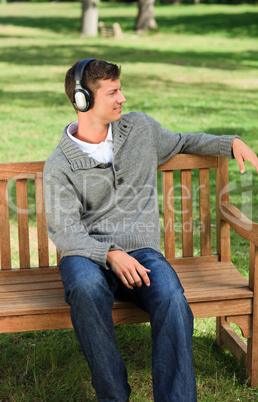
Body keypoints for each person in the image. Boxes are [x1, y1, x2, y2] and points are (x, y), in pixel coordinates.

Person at [43, 58, 258, 402]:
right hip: (87, 255)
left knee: (172, 298)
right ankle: (113, 395)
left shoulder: (139, 130)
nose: (123, 98)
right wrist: (111, 255)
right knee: (85, 288)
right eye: (113, 92)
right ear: (84, 100)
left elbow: (184, 141)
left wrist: (229, 143)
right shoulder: (61, 164)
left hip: (141, 252)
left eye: (120, 89)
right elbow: (66, 232)